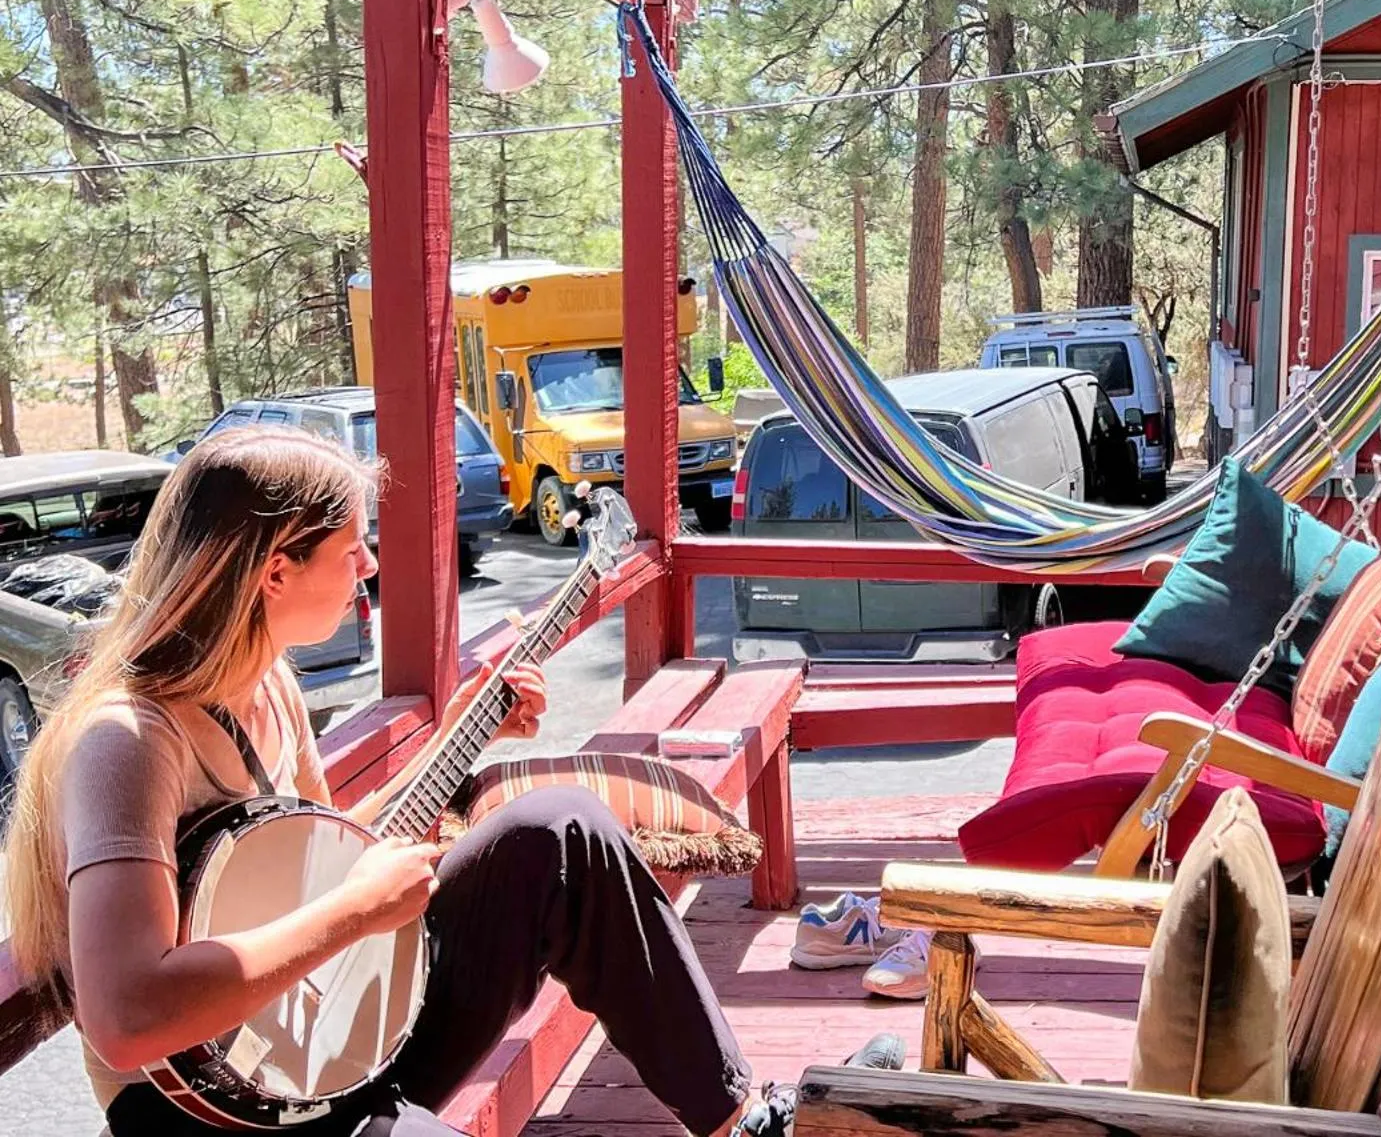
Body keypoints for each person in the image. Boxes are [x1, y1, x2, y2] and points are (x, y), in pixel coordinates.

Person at [1, 426, 890, 1136]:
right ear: (275, 569)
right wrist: (353, 913)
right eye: (351, 550)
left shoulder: (264, 677)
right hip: (221, 1108)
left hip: (325, 1032)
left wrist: (472, 729)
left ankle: (740, 1122)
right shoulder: (127, 740)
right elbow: (126, 1014)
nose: (370, 568)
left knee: (560, 832)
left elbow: (329, 850)